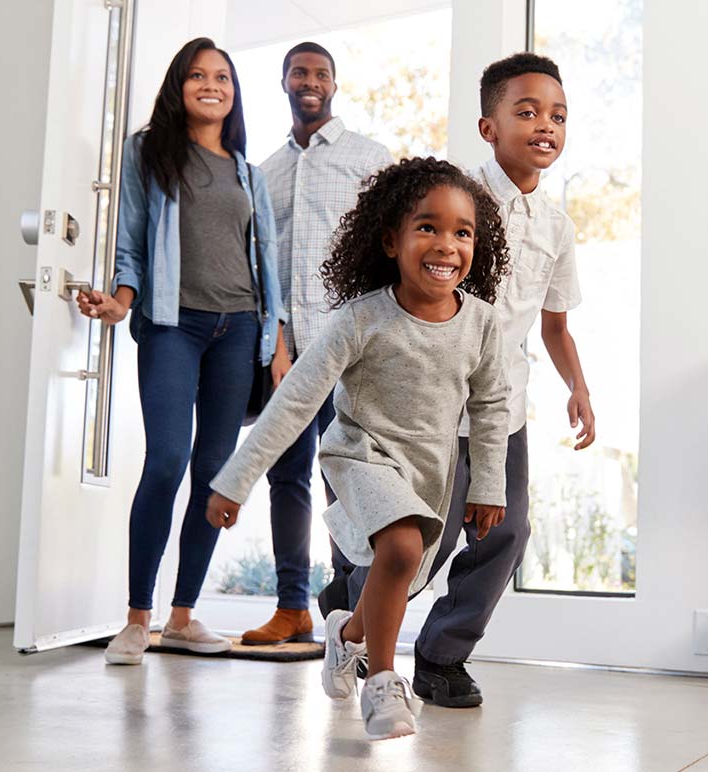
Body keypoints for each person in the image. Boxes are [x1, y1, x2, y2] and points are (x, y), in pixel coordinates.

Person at [326, 51, 598, 709]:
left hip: (506, 410)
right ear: (488, 126)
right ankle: (352, 611)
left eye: (557, 115)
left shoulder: (557, 226)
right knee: (421, 539)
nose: (545, 125)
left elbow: (555, 324)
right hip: (429, 404)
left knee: (507, 532)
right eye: (526, 111)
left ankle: (442, 658)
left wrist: (579, 387)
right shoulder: (456, 200)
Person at [205, 158, 511, 740]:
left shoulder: (482, 325)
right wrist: (236, 479)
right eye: (427, 227)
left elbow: (492, 405)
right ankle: (384, 685)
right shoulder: (360, 319)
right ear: (391, 240)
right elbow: (296, 400)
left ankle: (346, 639)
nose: (446, 244)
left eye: (462, 232)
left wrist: (489, 483)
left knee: (397, 569)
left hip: (429, 471)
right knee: (398, 548)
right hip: (360, 456)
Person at [75, 38, 290, 666]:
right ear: (180, 85)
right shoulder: (148, 152)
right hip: (174, 323)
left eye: (222, 76)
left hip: (241, 330)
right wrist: (120, 301)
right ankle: (137, 618)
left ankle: (183, 616)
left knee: (216, 477)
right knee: (166, 460)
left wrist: (274, 342)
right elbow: (131, 241)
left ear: (233, 91)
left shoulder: (247, 171)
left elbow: (267, 262)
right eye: (198, 75)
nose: (211, 85)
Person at [238, 42, 394, 647]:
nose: (311, 81)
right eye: (300, 72)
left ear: (334, 84)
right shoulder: (264, 172)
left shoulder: (368, 157)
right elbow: (262, 266)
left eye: (321, 73)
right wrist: (275, 341)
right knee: (288, 475)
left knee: (351, 476)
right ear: (283, 82)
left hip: (351, 347)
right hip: (289, 351)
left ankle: (352, 606)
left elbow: (388, 250)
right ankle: (292, 609)